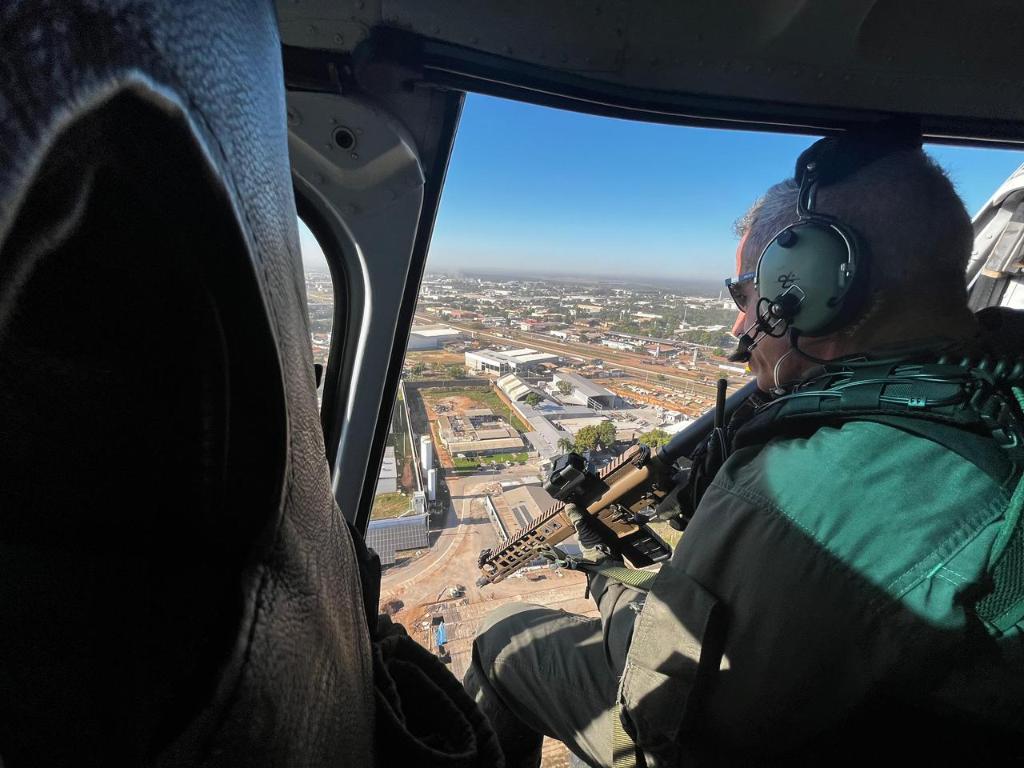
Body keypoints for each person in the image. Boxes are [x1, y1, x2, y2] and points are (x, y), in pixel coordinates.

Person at [463, 135, 1024, 767]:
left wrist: (608, 576)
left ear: (809, 286)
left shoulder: (810, 485)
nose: (738, 325)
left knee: (502, 638)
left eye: (744, 294)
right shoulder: (995, 393)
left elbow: (658, 719)